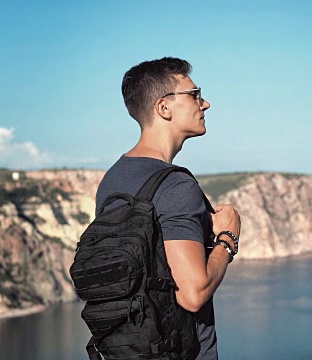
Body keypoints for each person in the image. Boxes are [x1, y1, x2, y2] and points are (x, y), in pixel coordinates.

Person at [94, 57, 241, 360]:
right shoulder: (175, 186)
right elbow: (193, 293)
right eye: (195, 94)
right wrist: (227, 239)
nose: (206, 104)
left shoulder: (112, 181)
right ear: (164, 108)